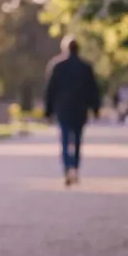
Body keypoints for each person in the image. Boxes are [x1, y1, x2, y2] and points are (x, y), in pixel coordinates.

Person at [44, 36, 101, 186]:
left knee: (64, 140)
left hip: (63, 109)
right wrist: (95, 108)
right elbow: (93, 90)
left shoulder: (57, 66)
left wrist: (48, 111)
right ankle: (75, 167)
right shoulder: (85, 67)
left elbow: (50, 91)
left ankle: (67, 168)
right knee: (76, 140)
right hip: (80, 109)